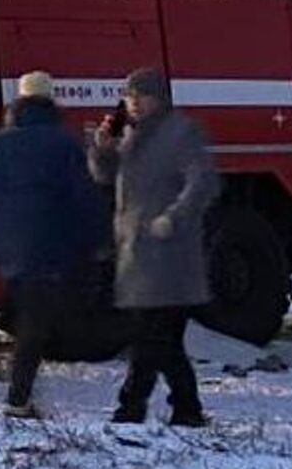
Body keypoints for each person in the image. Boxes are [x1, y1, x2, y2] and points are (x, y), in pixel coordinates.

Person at [0, 71, 106, 419]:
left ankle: (16, 391)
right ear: (50, 101)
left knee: (31, 315)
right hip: (51, 246)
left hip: (8, 247)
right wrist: (100, 239)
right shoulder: (64, 142)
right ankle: (17, 398)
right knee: (35, 326)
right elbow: (85, 196)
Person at [88, 68, 216, 427]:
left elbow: (201, 181)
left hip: (169, 253)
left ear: (159, 98)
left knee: (152, 337)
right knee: (158, 339)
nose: (133, 103)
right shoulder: (131, 136)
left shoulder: (180, 133)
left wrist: (173, 217)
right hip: (138, 252)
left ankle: (133, 408)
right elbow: (103, 178)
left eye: (140, 96)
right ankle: (184, 409)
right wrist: (102, 148)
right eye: (129, 97)